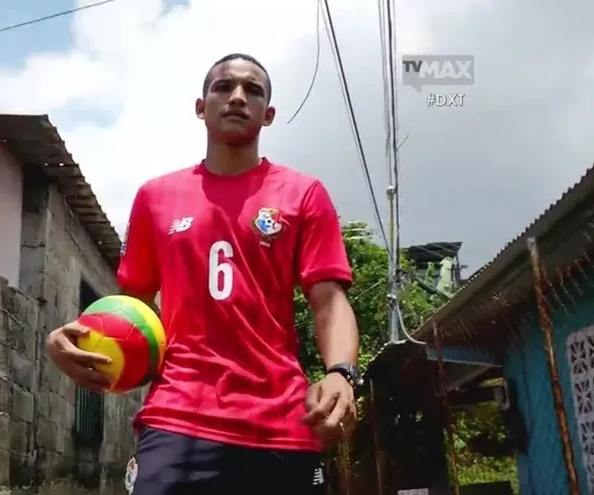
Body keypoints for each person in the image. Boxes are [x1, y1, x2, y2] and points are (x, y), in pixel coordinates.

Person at [47, 53, 362, 494]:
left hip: (280, 423)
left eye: (252, 90)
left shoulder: (303, 194)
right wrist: (78, 337)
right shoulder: (155, 198)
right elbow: (131, 310)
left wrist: (342, 373)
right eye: (223, 87)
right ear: (201, 107)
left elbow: (329, 300)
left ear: (267, 115)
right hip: (177, 418)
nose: (237, 97)